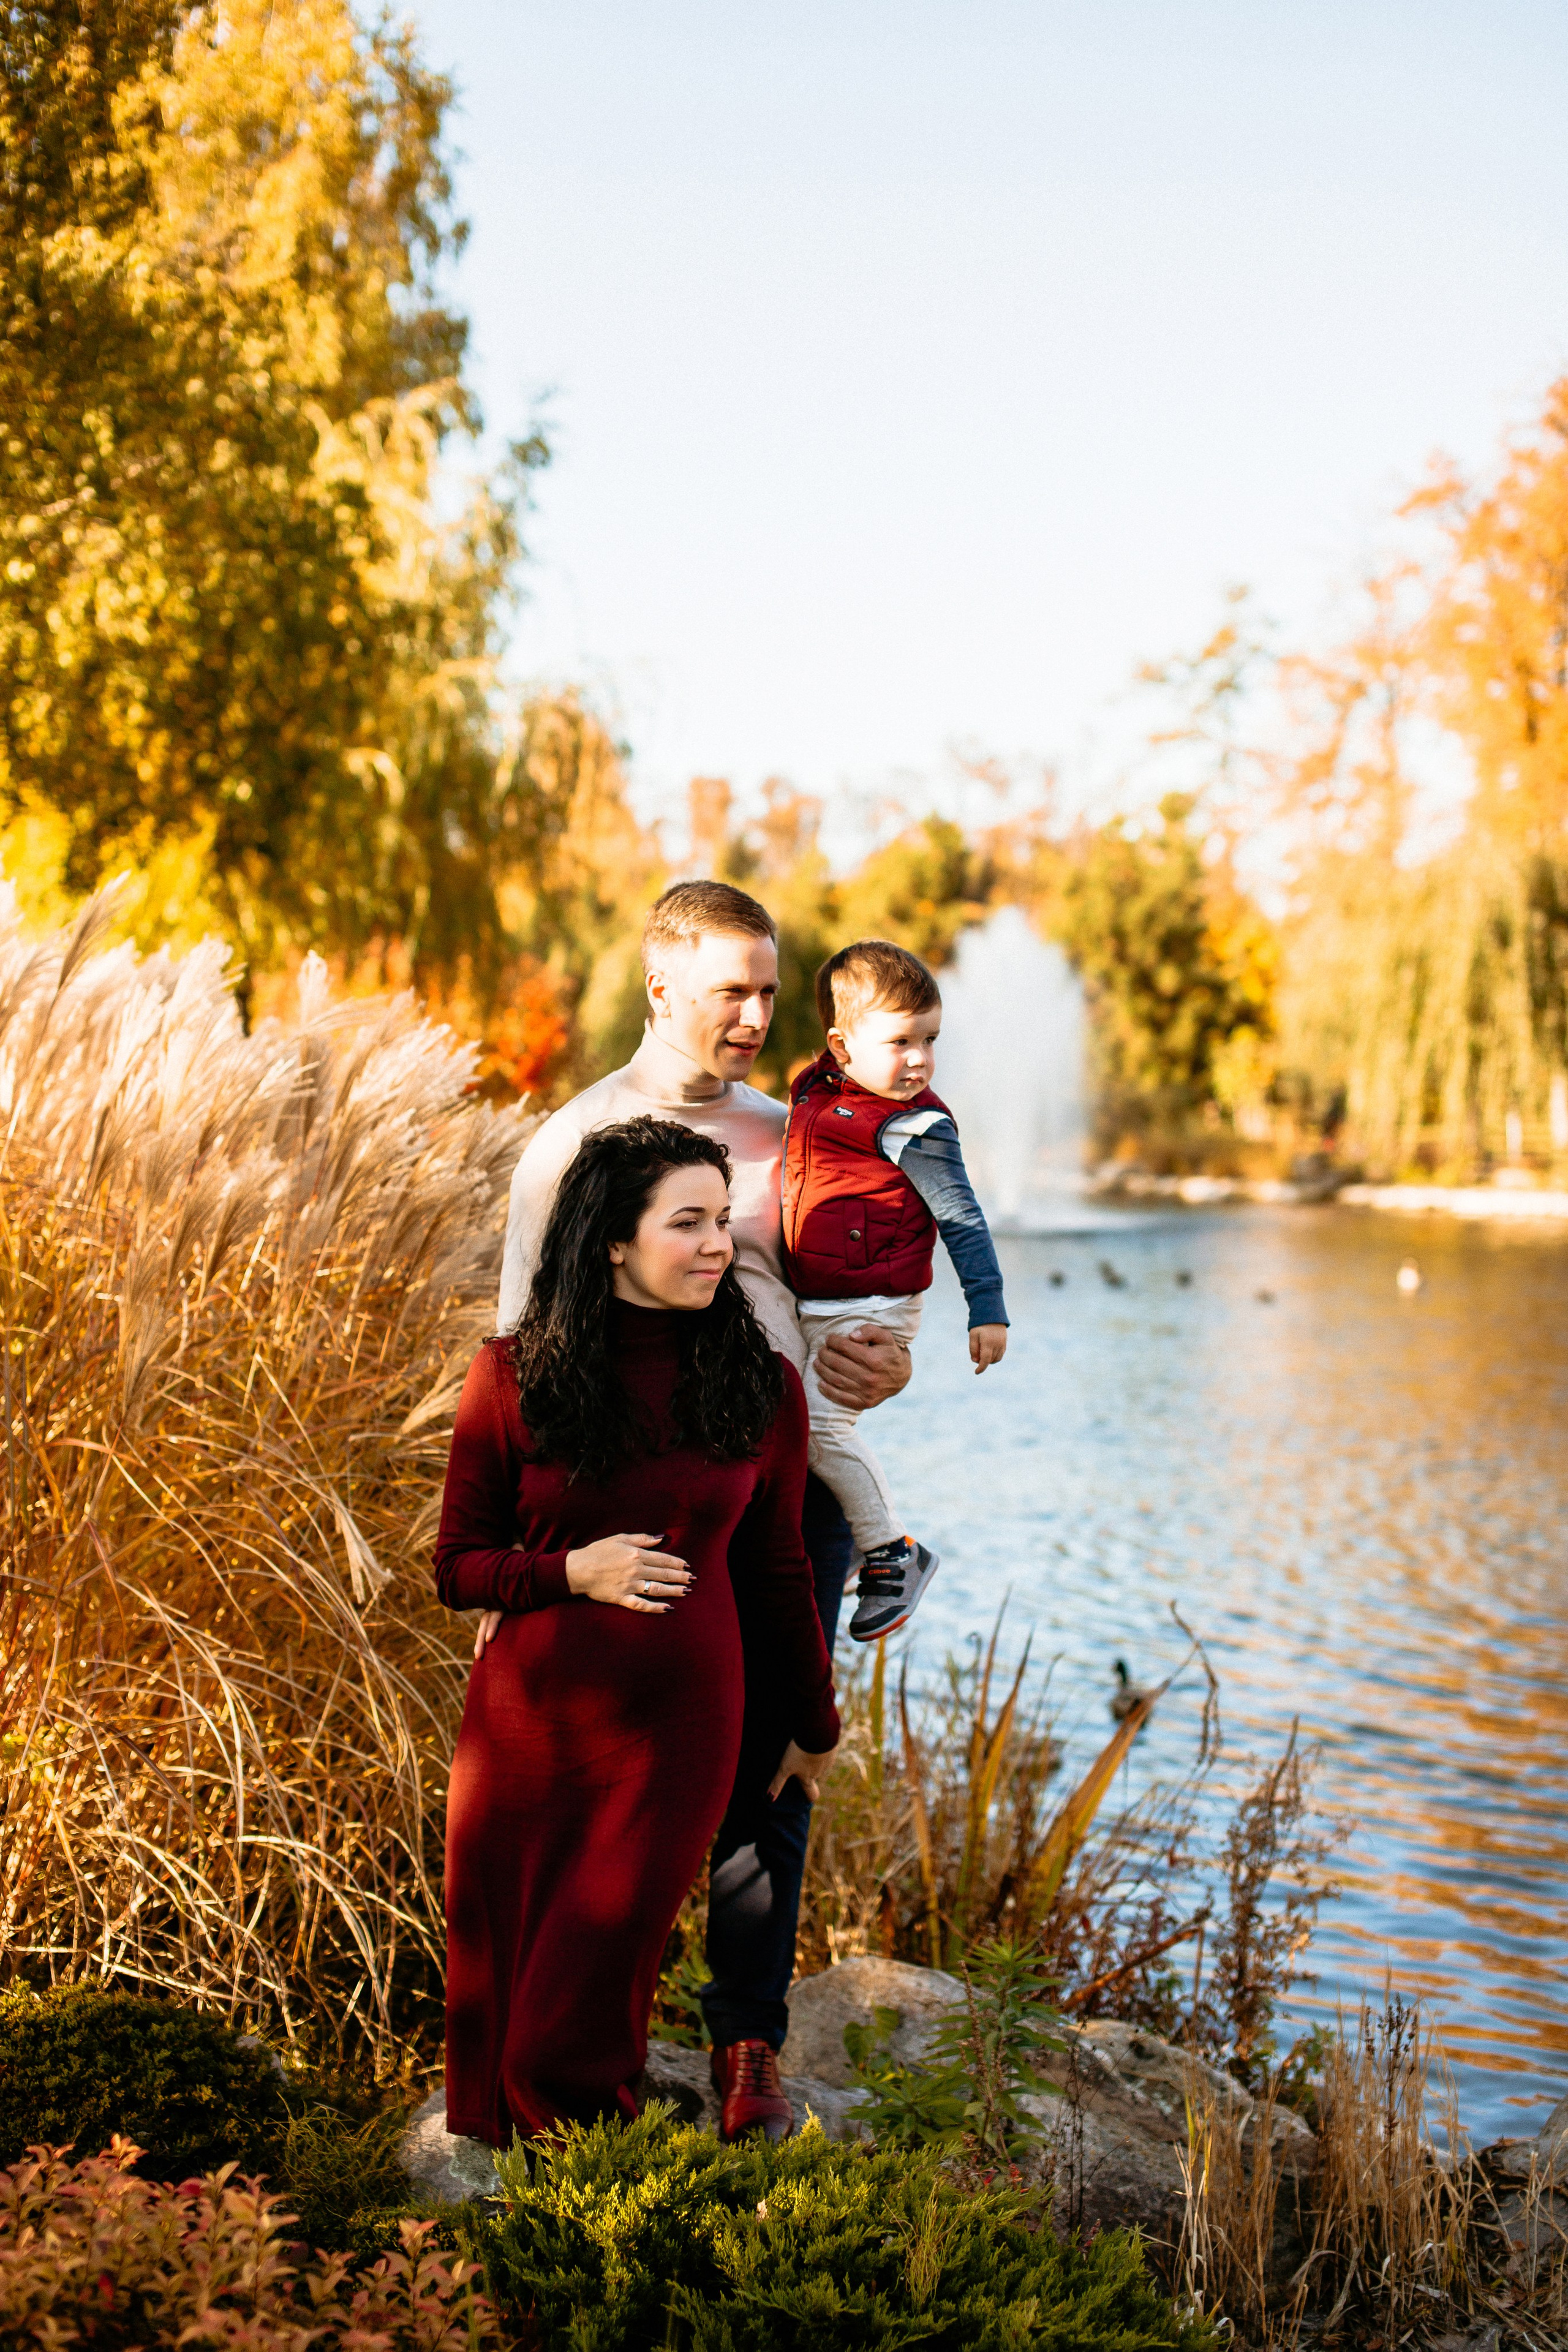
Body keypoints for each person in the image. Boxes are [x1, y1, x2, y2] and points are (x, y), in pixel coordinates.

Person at [493, 879, 911, 2141]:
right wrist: (540, 1562)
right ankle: (565, 2062)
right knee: (599, 1779)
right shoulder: (573, 1144)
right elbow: (517, 1351)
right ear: (659, 982)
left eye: (769, 990)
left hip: (778, 1506)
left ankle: (745, 2047)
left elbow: (864, 1312)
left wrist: (886, 1360)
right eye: (731, 988)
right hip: (624, 1514)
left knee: (769, 1771)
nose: (754, 1013)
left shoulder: (802, 1137)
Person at [434, 1118, 838, 2145]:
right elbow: (459, 1566)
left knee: (565, 2029)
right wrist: (571, 1570)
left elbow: (780, 1568)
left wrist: (813, 1722)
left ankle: (606, 2221)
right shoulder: (513, 1376)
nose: (717, 1246)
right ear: (615, 1238)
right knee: (498, 1991)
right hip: (524, 1731)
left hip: (675, 1733)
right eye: (687, 1223)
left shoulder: (761, 1388)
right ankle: (509, 2238)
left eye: (723, 1224)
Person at [783, 939, 1009, 1643]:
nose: (919, 1059)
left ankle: (890, 1553)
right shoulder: (816, 1094)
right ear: (841, 1047)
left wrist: (987, 1309)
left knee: (820, 1427)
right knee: (801, 1426)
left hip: (873, 1303)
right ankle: (859, 1535)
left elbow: (962, 1216)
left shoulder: (913, 1123)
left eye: (929, 1040)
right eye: (901, 1041)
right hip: (821, 1297)